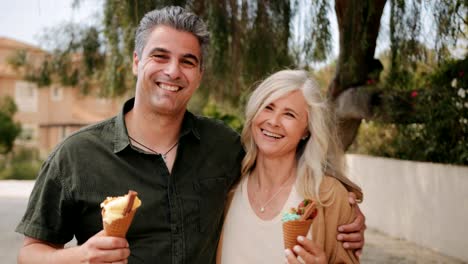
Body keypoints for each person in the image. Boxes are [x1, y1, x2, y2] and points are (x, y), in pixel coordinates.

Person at [16, 6, 365, 264]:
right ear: (137, 62)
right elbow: (29, 254)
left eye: (187, 61)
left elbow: (284, 158)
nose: (172, 71)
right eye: (160, 56)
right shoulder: (76, 156)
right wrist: (79, 256)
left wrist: (346, 207)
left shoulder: (223, 146)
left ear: (199, 74)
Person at [217, 70, 362, 263]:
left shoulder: (330, 197)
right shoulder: (226, 185)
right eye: (268, 107)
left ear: (307, 130)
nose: (273, 122)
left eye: (289, 114)